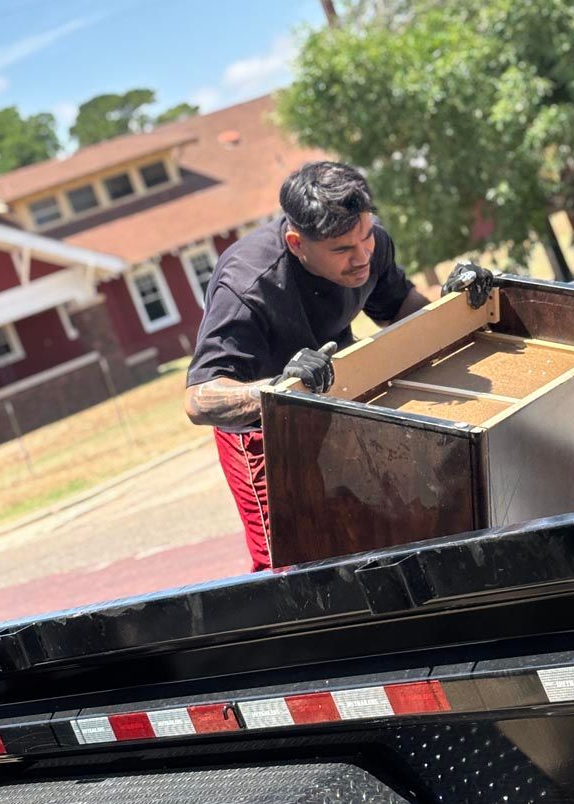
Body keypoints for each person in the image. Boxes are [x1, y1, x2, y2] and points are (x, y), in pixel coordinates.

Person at [184, 160, 493, 571]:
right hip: (263, 434)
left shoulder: (370, 245)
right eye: (343, 250)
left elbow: (400, 310)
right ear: (297, 244)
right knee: (295, 561)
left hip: (338, 395)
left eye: (366, 237)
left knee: (368, 526)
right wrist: (281, 390)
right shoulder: (248, 286)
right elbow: (199, 399)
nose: (362, 256)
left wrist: (454, 302)